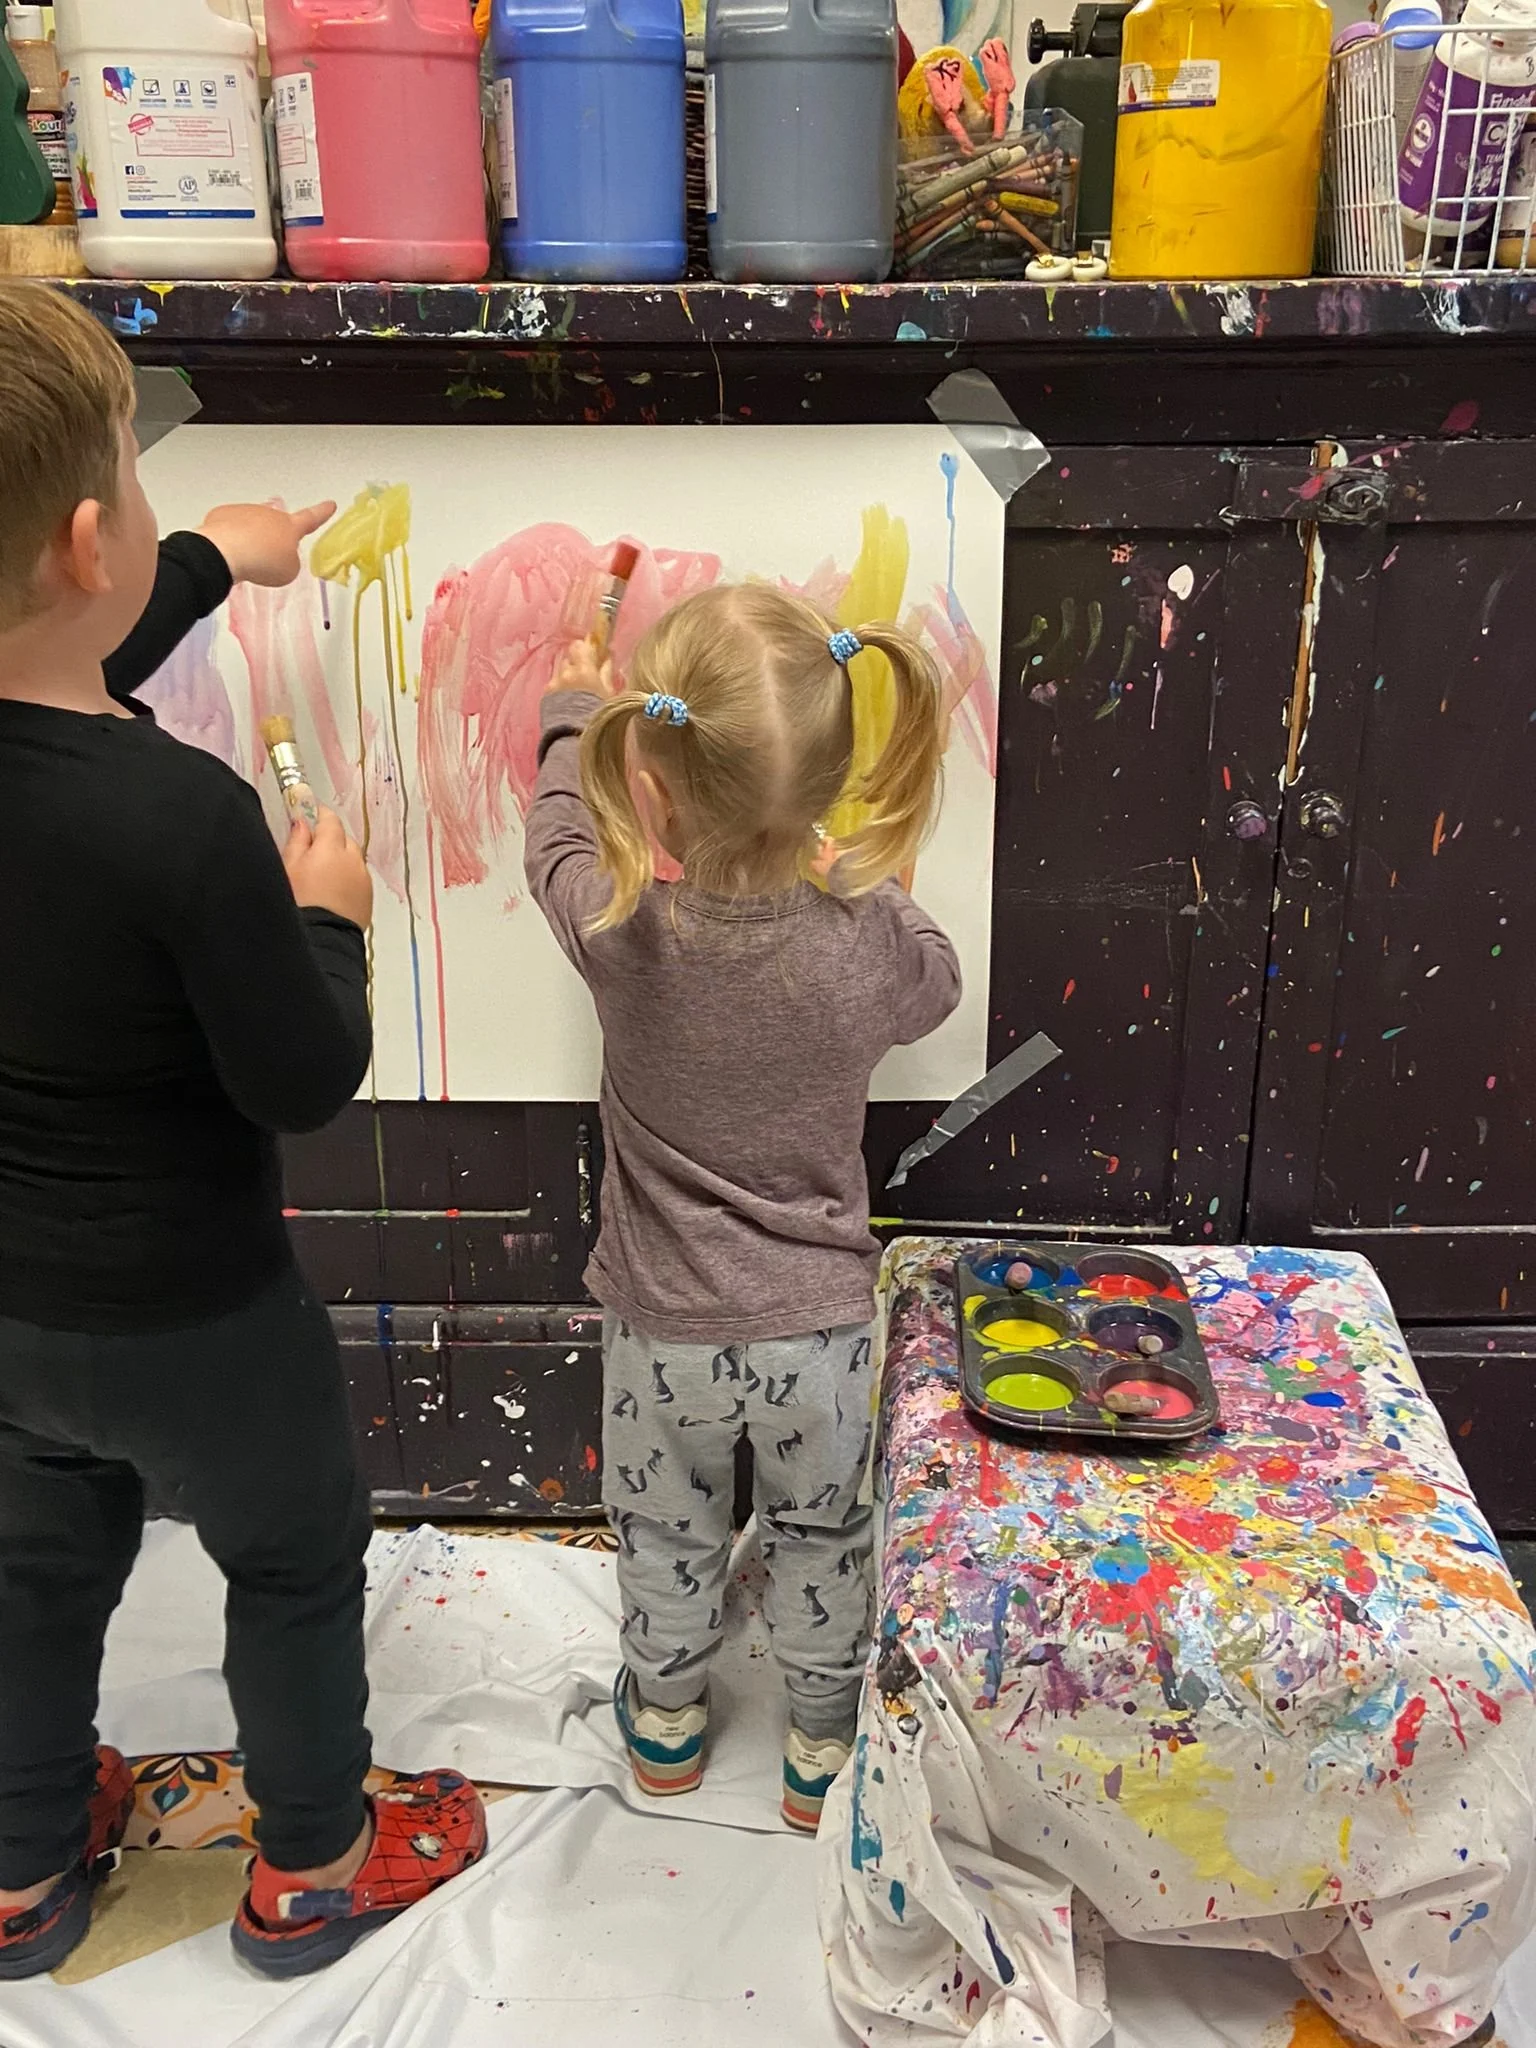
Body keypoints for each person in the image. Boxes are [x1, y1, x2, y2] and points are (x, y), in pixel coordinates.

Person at [0, 283, 485, 1982]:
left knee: (32, 1571)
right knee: (289, 1562)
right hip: (203, 1314)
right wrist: (330, 916)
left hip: (12, 1321)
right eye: (137, 491)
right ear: (84, 539)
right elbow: (298, 1075)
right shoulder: (186, 819)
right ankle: (313, 1861)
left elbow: (51, 678)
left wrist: (209, 558)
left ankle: (21, 1864)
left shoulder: (89, 717)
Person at [525, 581, 960, 1831]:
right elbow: (939, 980)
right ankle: (819, 1751)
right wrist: (865, 880)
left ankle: (665, 1727)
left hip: (662, 1330)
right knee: (826, 1535)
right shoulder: (866, 943)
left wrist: (568, 708)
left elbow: (552, 842)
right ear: (831, 792)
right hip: (820, 1332)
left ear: (647, 778)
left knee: (665, 1529)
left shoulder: (617, 925)